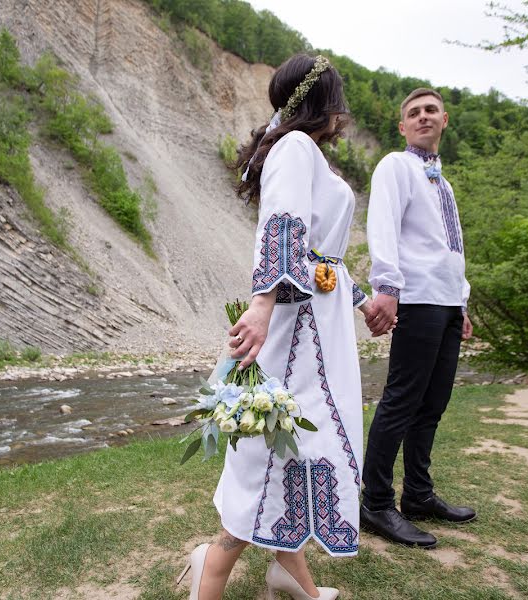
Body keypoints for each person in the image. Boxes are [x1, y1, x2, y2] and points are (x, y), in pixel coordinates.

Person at [177, 54, 380, 600]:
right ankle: (210, 573)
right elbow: (283, 223)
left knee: (297, 447)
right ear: (329, 103)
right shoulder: (295, 148)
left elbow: (323, 258)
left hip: (319, 323)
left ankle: (292, 579)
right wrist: (263, 303)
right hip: (297, 332)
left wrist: (361, 302)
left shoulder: (304, 153)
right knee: (280, 444)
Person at [359, 88, 477, 549]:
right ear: (402, 125)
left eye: (430, 110)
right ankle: (376, 502)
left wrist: (462, 302)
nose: (423, 117)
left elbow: (452, 246)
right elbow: (383, 225)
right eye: (414, 113)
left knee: (433, 405)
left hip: (446, 302)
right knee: (401, 400)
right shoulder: (396, 165)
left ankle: (420, 496)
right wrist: (386, 287)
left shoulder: (443, 183)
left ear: (444, 120)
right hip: (417, 298)